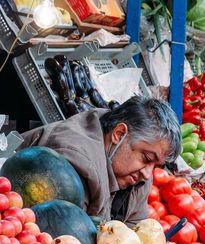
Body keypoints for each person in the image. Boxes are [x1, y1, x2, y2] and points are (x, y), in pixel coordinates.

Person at [20, 96, 181, 227]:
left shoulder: (139, 176)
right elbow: (66, 238)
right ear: (119, 134)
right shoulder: (75, 161)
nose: (147, 174)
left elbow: (135, 233)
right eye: (146, 158)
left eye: (155, 165)